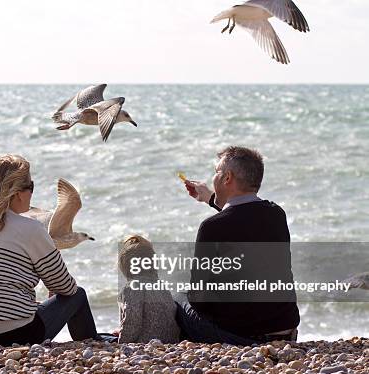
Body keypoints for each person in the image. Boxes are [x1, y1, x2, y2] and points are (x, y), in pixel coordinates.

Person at [0, 154, 98, 346]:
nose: (32, 194)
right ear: (18, 193)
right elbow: (65, 288)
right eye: (31, 187)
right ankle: (93, 342)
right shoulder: (32, 228)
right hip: (10, 335)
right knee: (78, 295)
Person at [179, 146, 300, 345]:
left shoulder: (212, 228)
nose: (213, 177)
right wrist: (210, 198)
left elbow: (198, 297)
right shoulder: (277, 214)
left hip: (242, 336)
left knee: (180, 298)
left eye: (216, 172)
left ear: (227, 178)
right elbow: (243, 219)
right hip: (285, 330)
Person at [117, 235, 180, 343]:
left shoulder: (131, 288)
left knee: (105, 337)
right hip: (170, 341)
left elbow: (132, 323)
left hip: (146, 342)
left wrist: (121, 342)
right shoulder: (162, 287)